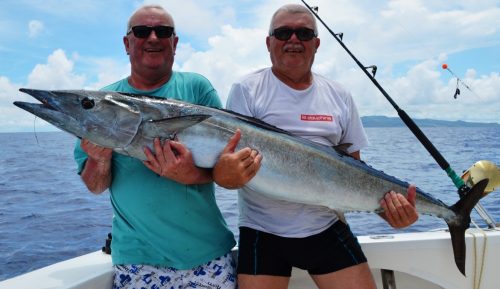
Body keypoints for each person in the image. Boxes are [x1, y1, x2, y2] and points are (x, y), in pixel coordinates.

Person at [213, 4, 419, 289]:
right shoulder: (246, 89)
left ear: (317, 43)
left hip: (326, 226)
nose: (293, 40)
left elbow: (355, 170)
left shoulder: (340, 95)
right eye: (283, 33)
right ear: (268, 42)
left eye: (304, 33)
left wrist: (389, 211)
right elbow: (231, 168)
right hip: (263, 230)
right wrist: (223, 174)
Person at [74, 5, 237, 289]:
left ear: (174, 43)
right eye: (141, 31)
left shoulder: (197, 88)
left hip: (207, 254)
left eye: (163, 32)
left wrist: (190, 174)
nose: (152, 38)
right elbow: (95, 186)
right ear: (127, 43)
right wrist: (98, 160)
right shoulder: (99, 106)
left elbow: (228, 164)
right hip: (137, 260)